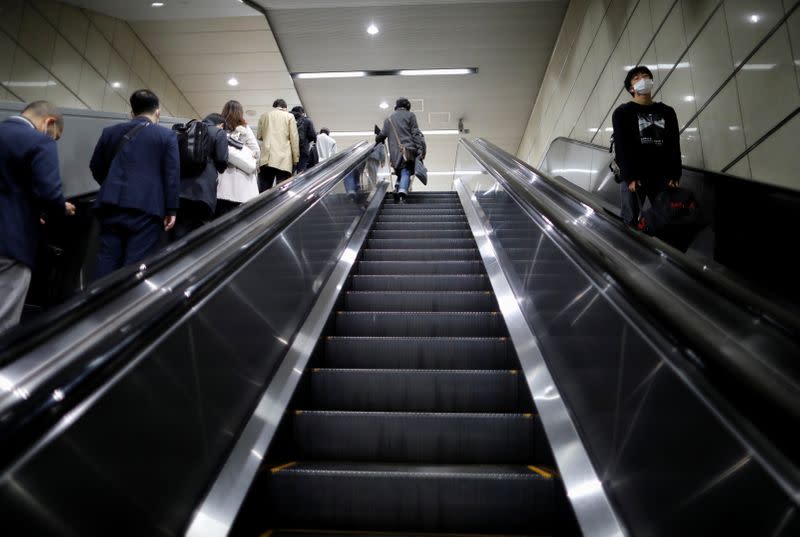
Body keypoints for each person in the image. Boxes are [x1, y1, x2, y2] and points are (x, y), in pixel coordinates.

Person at [0, 101, 75, 332]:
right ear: (49, 122)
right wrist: (62, 209)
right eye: (56, 136)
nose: (53, 140)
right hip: (10, 243)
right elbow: (50, 194)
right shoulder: (40, 141)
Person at [90, 89, 180, 281]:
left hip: (110, 205)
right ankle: (126, 308)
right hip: (146, 209)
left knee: (106, 259)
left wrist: (112, 187)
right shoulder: (166, 136)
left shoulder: (110, 133)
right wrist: (171, 208)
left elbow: (96, 166)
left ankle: (96, 306)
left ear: (132, 113)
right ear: (158, 112)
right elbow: (171, 175)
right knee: (135, 265)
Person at [612, 65, 682, 226]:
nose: (643, 79)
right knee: (630, 218)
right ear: (631, 88)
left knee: (665, 218)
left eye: (645, 76)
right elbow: (622, 147)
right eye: (637, 78)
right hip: (635, 176)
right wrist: (629, 177)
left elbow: (673, 144)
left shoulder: (667, 111)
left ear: (651, 81)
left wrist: (675, 174)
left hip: (661, 174)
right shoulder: (622, 112)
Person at [172, 113, 228, 240]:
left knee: (179, 229)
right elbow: (222, 160)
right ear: (221, 125)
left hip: (179, 190)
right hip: (203, 191)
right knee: (200, 235)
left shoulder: (187, 128)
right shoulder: (219, 132)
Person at [375, 97, 426, 203]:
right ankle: (402, 193)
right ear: (408, 107)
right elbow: (415, 133)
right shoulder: (410, 115)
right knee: (406, 170)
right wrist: (420, 149)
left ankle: (397, 187)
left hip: (395, 154)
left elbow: (382, 136)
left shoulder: (388, 119)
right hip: (408, 150)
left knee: (400, 171)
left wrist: (377, 136)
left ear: (396, 107)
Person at [217, 100, 261, 216]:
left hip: (222, 183)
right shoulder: (246, 129)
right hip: (244, 185)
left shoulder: (220, 128)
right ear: (240, 113)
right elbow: (256, 151)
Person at [256, 99, 299, 192]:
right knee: (281, 193)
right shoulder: (289, 116)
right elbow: (294, 139)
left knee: (263, 192)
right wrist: (296, 159)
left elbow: (259, 136)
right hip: (284, 159)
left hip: (266, 159)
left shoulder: (264, 116)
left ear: (274, 106)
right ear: (285, 108)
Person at [290, 106, 317, 174]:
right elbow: (313, 135)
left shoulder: (288, 119)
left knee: (289, 171)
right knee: (301, 171)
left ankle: (288, 184)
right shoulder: (307, 120)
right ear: (303, 113)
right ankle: (299, 184)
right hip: (303, 149)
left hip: (290, 149)